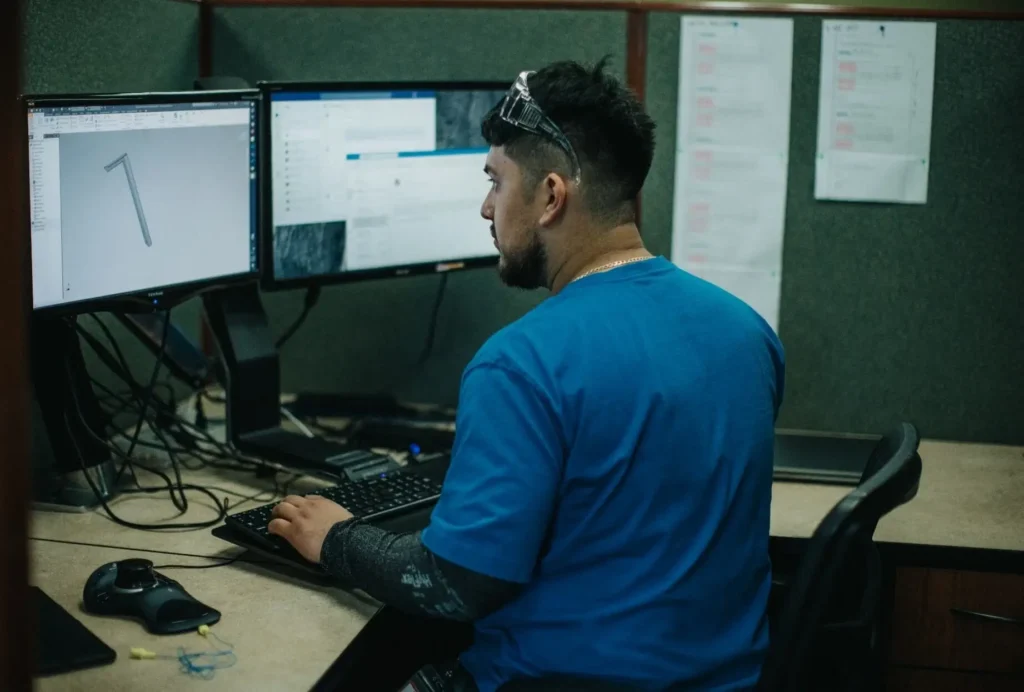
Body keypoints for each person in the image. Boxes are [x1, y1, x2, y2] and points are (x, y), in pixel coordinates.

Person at [267, 58, 785, 692]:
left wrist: (337, 540)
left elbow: (454, 586)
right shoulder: (745, 330)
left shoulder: (522, 363)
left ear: (549, 196)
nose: (486, 208)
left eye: (495, 181)